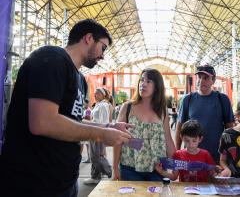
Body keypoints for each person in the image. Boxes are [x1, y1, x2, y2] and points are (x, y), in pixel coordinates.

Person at [0, 19, 133, 197]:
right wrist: (101, 134)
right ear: (88, 38)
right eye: (103, 48)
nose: (103, 56)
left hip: (64, 181)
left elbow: (73, 120)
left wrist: (108, 127)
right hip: (33, 183)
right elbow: (43, 122)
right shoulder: (52, 59)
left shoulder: (80, 80)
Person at [113, 68, 176, 181]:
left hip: (157, 169)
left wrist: (175, 166)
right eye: (141, 80)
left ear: (157, 86)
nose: (143, 84)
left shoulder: (162, 110)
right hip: (129, 168)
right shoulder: (127, 107)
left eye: (148, 81)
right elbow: (117, 139)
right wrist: (115, 168)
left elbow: (168, 140)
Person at [175, 64, 234, 163]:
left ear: (213, 80)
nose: (201, 81)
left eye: (206, 78)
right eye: (199, 77)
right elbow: (179, 127)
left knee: (213, 179)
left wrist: (229, 153)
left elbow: (229, 128)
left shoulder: (222, 99)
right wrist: (177, 153)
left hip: (216, 155)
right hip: (191, 155)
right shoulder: (187, 99)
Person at [84, 88, 112, 185]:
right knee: (95, 155)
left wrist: (100, 135)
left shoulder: (103, 105)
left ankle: (102, 172)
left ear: (103, 95)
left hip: (97, 133)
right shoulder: (99, 105)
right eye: (95, 93)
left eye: (97, 93)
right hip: (94, 132)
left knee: (96, 156)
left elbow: (103, 122)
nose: (95, 95)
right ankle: (96, 175)